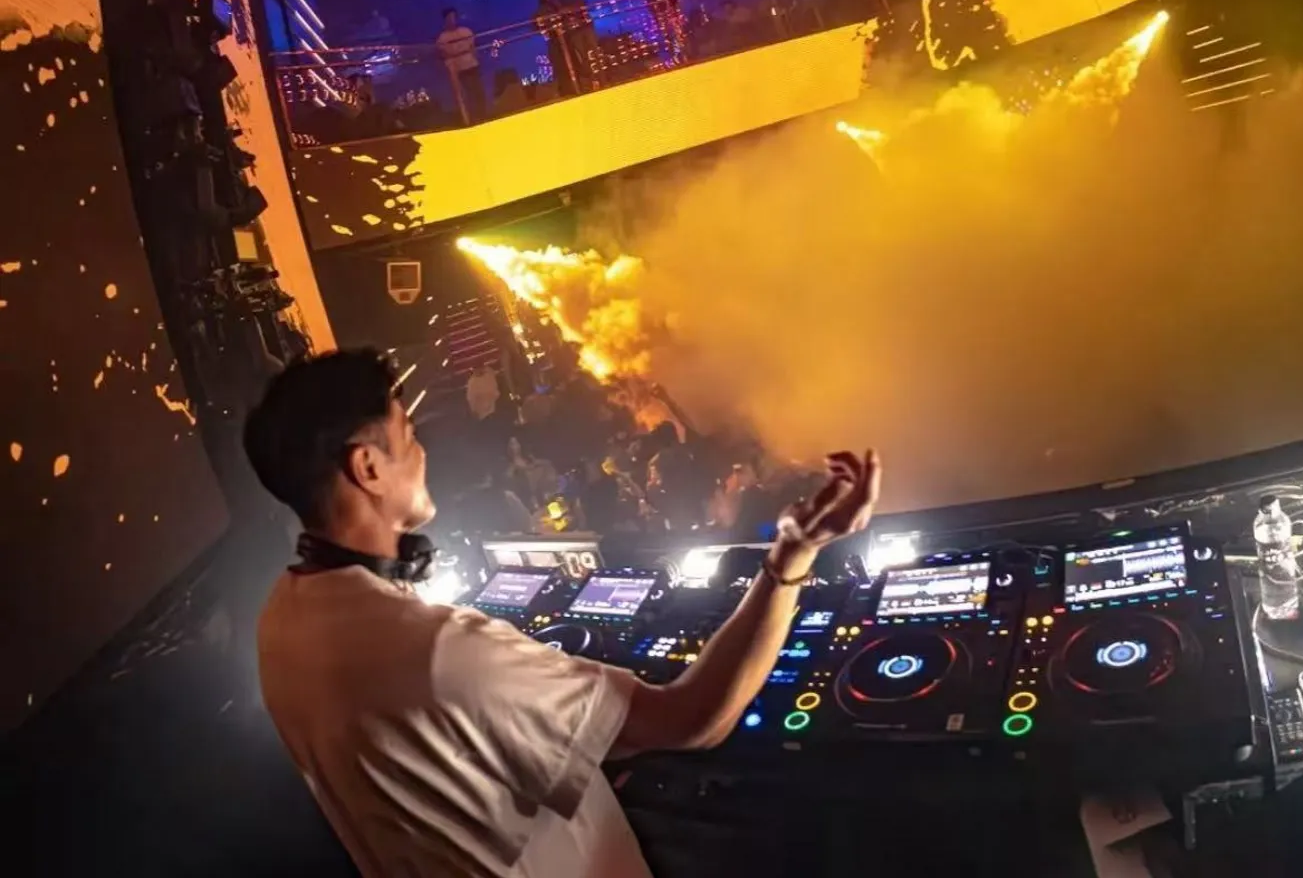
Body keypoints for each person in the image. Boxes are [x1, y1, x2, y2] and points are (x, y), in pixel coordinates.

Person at [243, 349, 879, 878]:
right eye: (408, 438)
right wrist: (792, 558)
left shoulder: (278, 625)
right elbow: (692, 719)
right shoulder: (445, 650)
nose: (423, 454)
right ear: (368, 467)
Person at [436, 8, 486, 124]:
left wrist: (476, 60)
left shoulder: (466, 31)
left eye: (453, 17)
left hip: (472, 65)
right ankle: (472, 119)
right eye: (449, 18)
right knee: (466, 94)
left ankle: (483, 116)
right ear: (445, 20)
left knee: (478, 91)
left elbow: (473, 48)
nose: (451, 20)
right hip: (458, 70)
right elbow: (443, 54)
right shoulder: (443, 38)